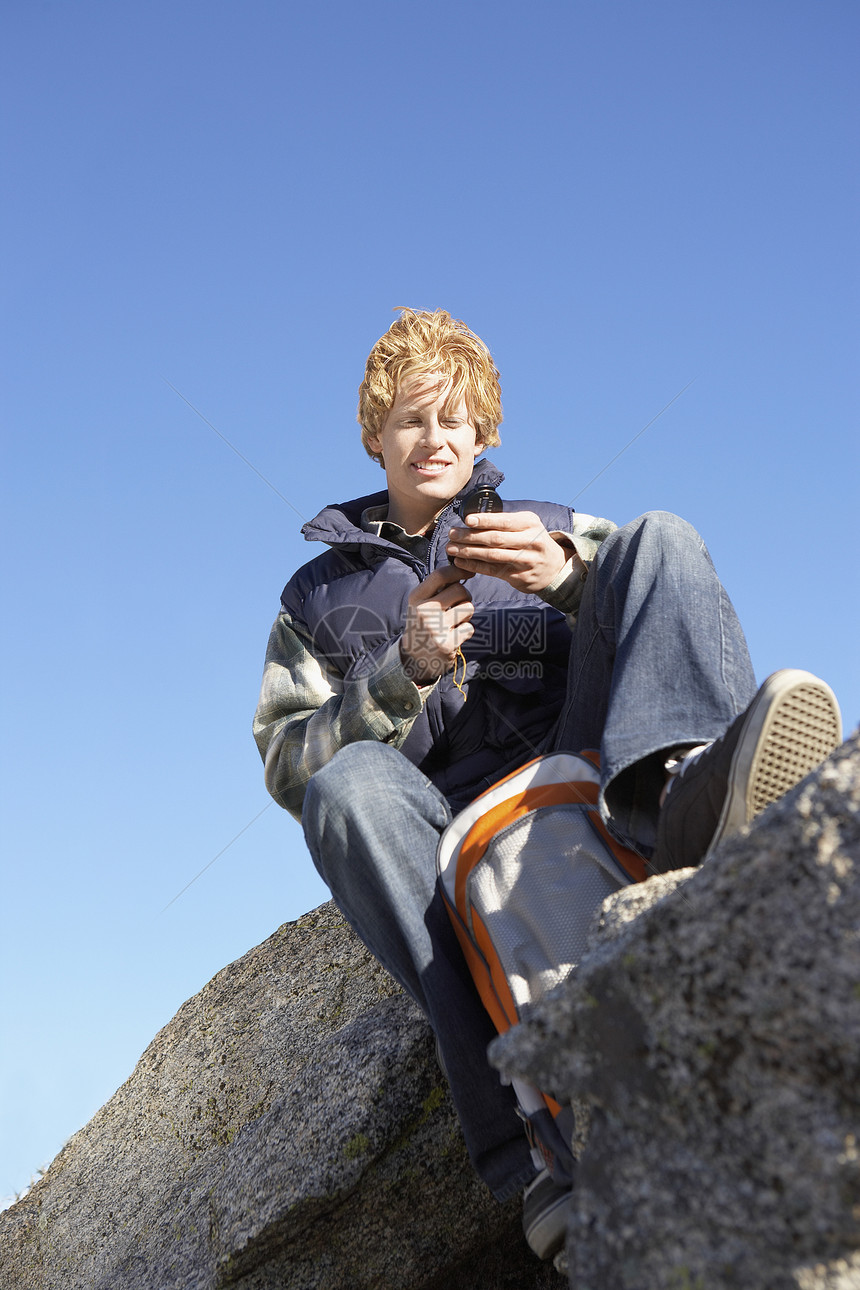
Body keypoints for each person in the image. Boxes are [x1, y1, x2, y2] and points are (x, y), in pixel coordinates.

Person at [253, 308, 841, 1262]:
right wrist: (400, 671)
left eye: (456, 420)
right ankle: (531, 1137)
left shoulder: (553, 525)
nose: (434, 439)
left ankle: (693, 811)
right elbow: (288, 764)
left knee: (661, 536)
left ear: (486, 433)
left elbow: (662, 601)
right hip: (444, 838)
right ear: (374, 436)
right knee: (346, 787)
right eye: (411, 419)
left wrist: (570, 577)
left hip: (589, 778)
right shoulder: (311, 599)